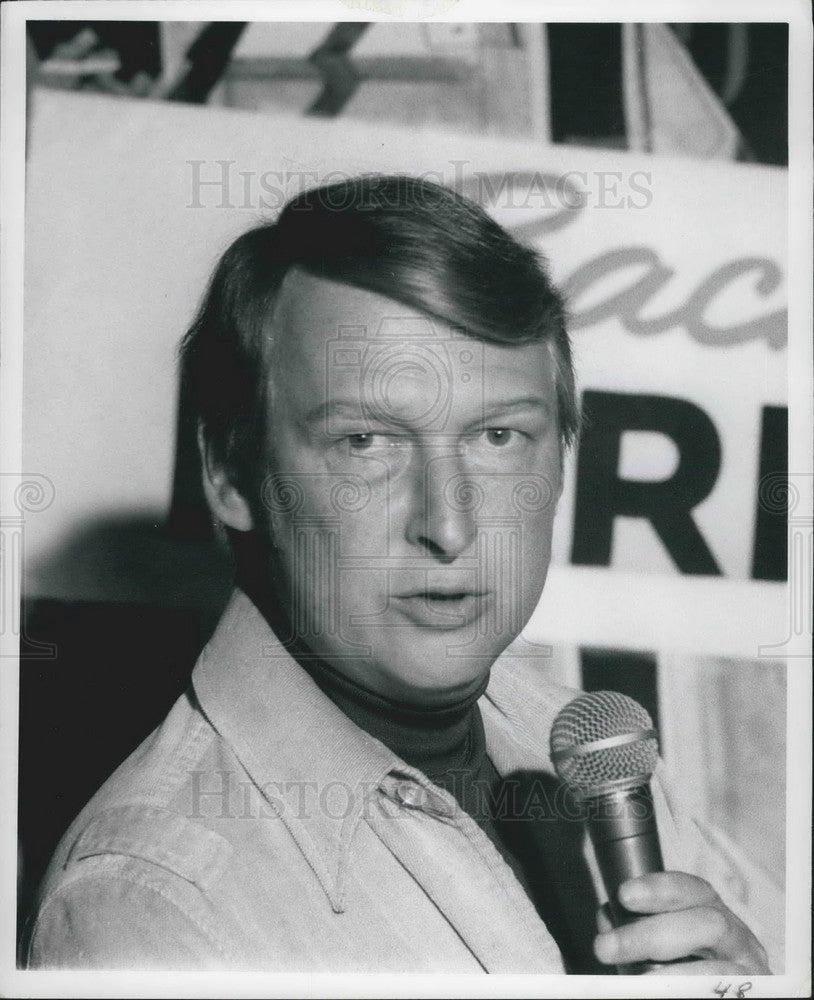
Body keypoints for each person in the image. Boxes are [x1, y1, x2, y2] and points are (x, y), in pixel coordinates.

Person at [25, 175, 773, 974]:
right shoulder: (147, 910)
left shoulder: (599, 754)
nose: (447, 526)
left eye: (497, 438)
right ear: (231, 477)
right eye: (365, 444)